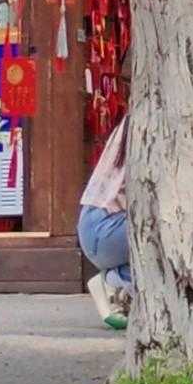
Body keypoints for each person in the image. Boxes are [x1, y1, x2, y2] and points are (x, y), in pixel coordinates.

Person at [76, 113, 131, 330]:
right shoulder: (151, 118)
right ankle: (117, 280)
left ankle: (119, 281)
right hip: (106, 226)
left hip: (100, 225)